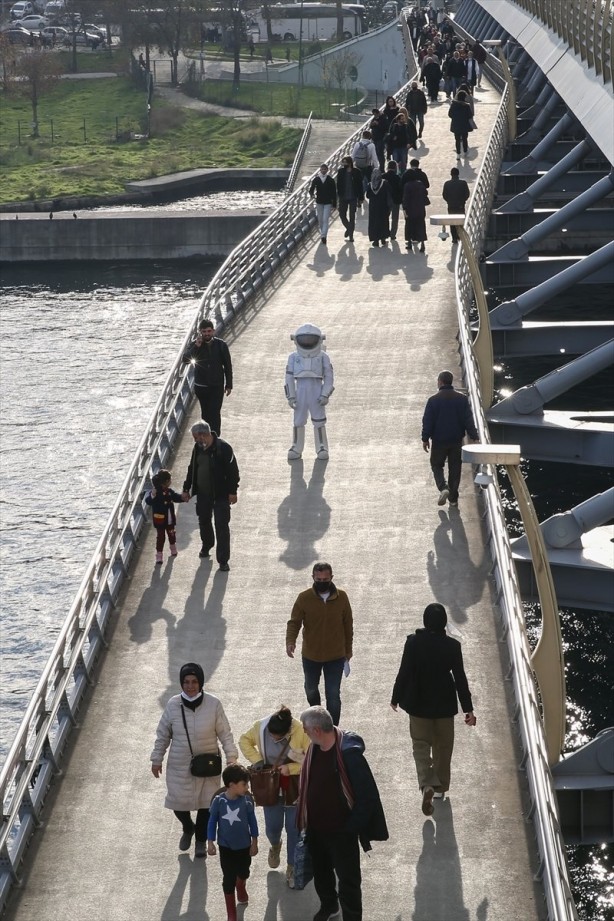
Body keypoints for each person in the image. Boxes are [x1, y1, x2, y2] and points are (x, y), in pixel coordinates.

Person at [297, 706, 388, 921]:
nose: (304, 732)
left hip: (341, 832)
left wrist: (350, 829)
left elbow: (368, 797)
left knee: (348, 881)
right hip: (316, 829)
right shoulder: (314, 748)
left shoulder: (349, 754)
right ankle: (329, 906)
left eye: (306, 729)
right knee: (321, 873)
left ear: (317, 730)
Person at [390, 603, 476, 816]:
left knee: (420, 746)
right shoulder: (452, 646)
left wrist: (395, 697)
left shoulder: (413, 642)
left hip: (418, 704)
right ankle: (440, 789)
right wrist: (468, 709)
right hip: (444, 705)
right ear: (444, 623)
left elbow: (404, 671)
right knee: (443, 747)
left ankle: (427, 783)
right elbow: (460, 679)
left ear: (425, 621)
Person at [150, 663, 238, 860]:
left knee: (207, 805)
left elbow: (225, 733)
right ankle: (188, 827)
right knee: (178, 803)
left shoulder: (213, 704)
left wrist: (231, 757)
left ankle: (200, 841)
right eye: (186, 682)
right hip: (180, 765)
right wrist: (157, 759)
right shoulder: (173, 704)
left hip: (208, 765)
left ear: (201, 683)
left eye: (194, 682)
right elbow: (163, 734)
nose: (190, 686)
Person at [239, 705, 311, 889]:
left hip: (295, 787)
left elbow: (311, 759)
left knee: (294, 829)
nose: (273, 739)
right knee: (272, 828)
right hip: (270, 786)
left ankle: (292, 867)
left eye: (277, 737)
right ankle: (275, 845)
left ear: (287, 732)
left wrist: (290, 768)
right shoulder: (260, 727)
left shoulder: (301, 731)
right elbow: (244, 740)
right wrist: (257, 760)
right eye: (271, 736)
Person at [286, 562, 353, 727]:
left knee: (333, 695)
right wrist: (290, 641)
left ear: (331, 578)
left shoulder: (342, 598)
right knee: (311, 690)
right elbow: (294, 622)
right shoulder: (304, 598)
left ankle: (333, 729)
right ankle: (318, 718)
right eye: (319, 579)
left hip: (336, 656)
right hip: (311, 655)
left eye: (325, 579)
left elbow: (348, 625)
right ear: (313, 578)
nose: (322, 582)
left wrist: (348, 650)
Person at [182, 420, 239, 570]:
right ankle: (207, 545)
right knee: (204, 521)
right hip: (203, 494)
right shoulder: (198, 448)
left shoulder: (224, 448)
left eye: (196, 438)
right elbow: (192, 468)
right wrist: (186, 488)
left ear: (203, 435)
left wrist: (233, 492)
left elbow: (233, 472)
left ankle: (223, 561)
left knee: (222, 526)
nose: (195, 441)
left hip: (221, 495)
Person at [208, 764, 259, 921]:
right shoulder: (219, 802)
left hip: (244, 846)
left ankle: (241, 885)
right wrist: (210, 842)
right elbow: (212, 822)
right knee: (228, 878)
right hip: (226, 847)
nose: (247, 787)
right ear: (231, 785)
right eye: (244, 784)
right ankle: (231, 912)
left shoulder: (246, 802)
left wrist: (254, 842)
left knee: (244, 872)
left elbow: (253, 822)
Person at [421, 369, 479, 507]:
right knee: (455, 469)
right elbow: (468, 420)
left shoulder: (433, 400)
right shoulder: (462, 399)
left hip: (439, 441)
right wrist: (474, 436)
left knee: (436, 465)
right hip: (456, 440)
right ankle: (453, 499)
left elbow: (427, 421)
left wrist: (425, 438)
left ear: (440, 382)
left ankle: (443, 487)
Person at [285, 323, 334, 460]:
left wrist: (325, 394)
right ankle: (296, 447)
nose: (307, 342)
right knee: (298, 420)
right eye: (304, 339)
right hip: (300, 390)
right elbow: (288, 378)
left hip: (316, 389)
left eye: (310, 339)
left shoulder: (323, 356)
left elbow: (329, 377)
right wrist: (291, 396)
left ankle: (322, 446)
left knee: (319, 420)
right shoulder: (293, 357)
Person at [182, 318, 233, 436]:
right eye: (204, 332)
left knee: (215, 412)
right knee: (205, 414)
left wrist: (229, 384)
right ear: (200, 332)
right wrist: (197, 346)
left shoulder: (221, 345)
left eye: (209, 331)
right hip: (201, 386)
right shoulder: (195, 344)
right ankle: (206, 437)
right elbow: (185, 360)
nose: (207, 334)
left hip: (217, 386)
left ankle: (215, 437)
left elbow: (227, 365)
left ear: (213, 331)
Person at [145, 468, 187, 564]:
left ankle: (173, 548)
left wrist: (182, 498)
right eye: (170, 480)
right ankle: (159, 555)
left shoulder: (169, 491)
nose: (171, 481)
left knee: (171, 534)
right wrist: (152, 495)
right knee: (161, 537)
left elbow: (175, 497)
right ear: (167, 481)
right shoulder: (156, 492)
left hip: (169, 519)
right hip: (160, 519)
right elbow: (148, 501)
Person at [336, 155, 364, 244]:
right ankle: (349, 228)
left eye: (345, 162)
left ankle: (351, 236)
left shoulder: (356, 172)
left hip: (353, 197)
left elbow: (360, 185)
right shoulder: (341, 172)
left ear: (349, 162)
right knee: (342, 215)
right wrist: (337, 197)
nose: (344, 164)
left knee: (352, 216)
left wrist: (361, 197)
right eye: (343, 162)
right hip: (343, 197)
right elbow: (338, 185)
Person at [309, 163, 337, 245]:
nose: (323, 171)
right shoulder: (316, 179)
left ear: (327, 170)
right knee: (320, 219)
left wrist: (334, 204)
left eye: (325, 169)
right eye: (322, 169)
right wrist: (312, 194)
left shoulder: (330, 180)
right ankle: (323, 233)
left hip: (328, 202)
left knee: (325, 219)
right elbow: (311, 189)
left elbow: (334, 193)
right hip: (319, 202)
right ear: (320, 170)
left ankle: (323, 235)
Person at [402, 172, 429, 253]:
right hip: (420, 209)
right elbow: (425, 193)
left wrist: (404, 208)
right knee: (421, 226)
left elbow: (405, 198)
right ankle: (422, 244)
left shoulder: (407, 185)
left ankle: (409, 243)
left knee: (409, 226)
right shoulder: (420, 184)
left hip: (410, 209)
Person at [442, 167, 470, 242]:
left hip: (451, 206)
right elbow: (467, 194)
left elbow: (444, 195)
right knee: (460, 222)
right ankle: (460, 236)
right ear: (458, 174)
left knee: (452, 222)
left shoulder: (447, 184)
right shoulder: (463, 183)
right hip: (460, 206)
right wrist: (463, 201)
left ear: (451, 174)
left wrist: (449, 201)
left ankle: (454, 238)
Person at [366, 168, 392, 247]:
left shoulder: (370, 185)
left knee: (374, 222)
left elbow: (367, 196)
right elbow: (389, 194)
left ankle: (375, 240)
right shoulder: (385, 183)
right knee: (383, 221)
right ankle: (383, 238)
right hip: (383, 206)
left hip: (373, 207)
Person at [448, 89, 473, 158]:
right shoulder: (466, 106)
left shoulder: (453, 105)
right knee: (465, 139)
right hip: (464, 124)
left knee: (457, 140)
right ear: (464, 97)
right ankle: (465, 151)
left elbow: (450, 114)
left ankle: (458, 154)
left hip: (456, 124)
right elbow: (470, 115)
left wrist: (455, 118)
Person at [384, 160, 402, 241]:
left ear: (387, 167)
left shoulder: (383, 176)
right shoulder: (397, 178)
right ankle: (393, 234)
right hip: (395, 200)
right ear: (395, 168)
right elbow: (400, 189)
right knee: (395, 218)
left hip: (385, 200)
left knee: (384, 217)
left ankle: (385, 232)